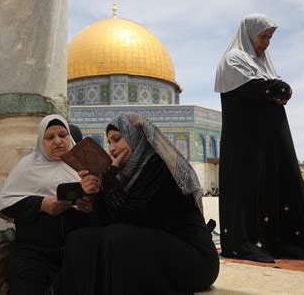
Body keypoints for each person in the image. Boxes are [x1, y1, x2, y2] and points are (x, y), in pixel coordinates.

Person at [56, 113, 219, 294]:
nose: (112, 148)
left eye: (117, 139)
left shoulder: (160, 166)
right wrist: (96, 193)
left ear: (137, 137)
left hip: (195, 260)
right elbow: (106, 222)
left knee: (118, 236)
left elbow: (129, 216)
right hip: (159, 251)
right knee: (80, 238)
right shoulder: (127, 176)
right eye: (109, 142)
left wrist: (109, 177)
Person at [214, 13, 304, 262]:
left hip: (265, 143)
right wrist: (278, 89)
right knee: (247, 189)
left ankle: (275, 242)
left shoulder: (261, 63)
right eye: (263, 36)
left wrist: (278, 90)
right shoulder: (234, 60)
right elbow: (264, 89)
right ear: (249, 33)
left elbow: (277, 89)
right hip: (245, 144)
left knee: (272, 187)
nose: (266, 42)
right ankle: (245, 244)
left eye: (269, 37)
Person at [0, 114, 93, 295]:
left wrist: (89, 207)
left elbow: (104, 207)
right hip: (33, 253)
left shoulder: (84, 167)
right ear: (41, 141)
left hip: (74, 254)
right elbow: (7, 204)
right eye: (50, 137)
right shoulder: (27, 166)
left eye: (63, 135)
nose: (58, 141)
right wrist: (42, 204)